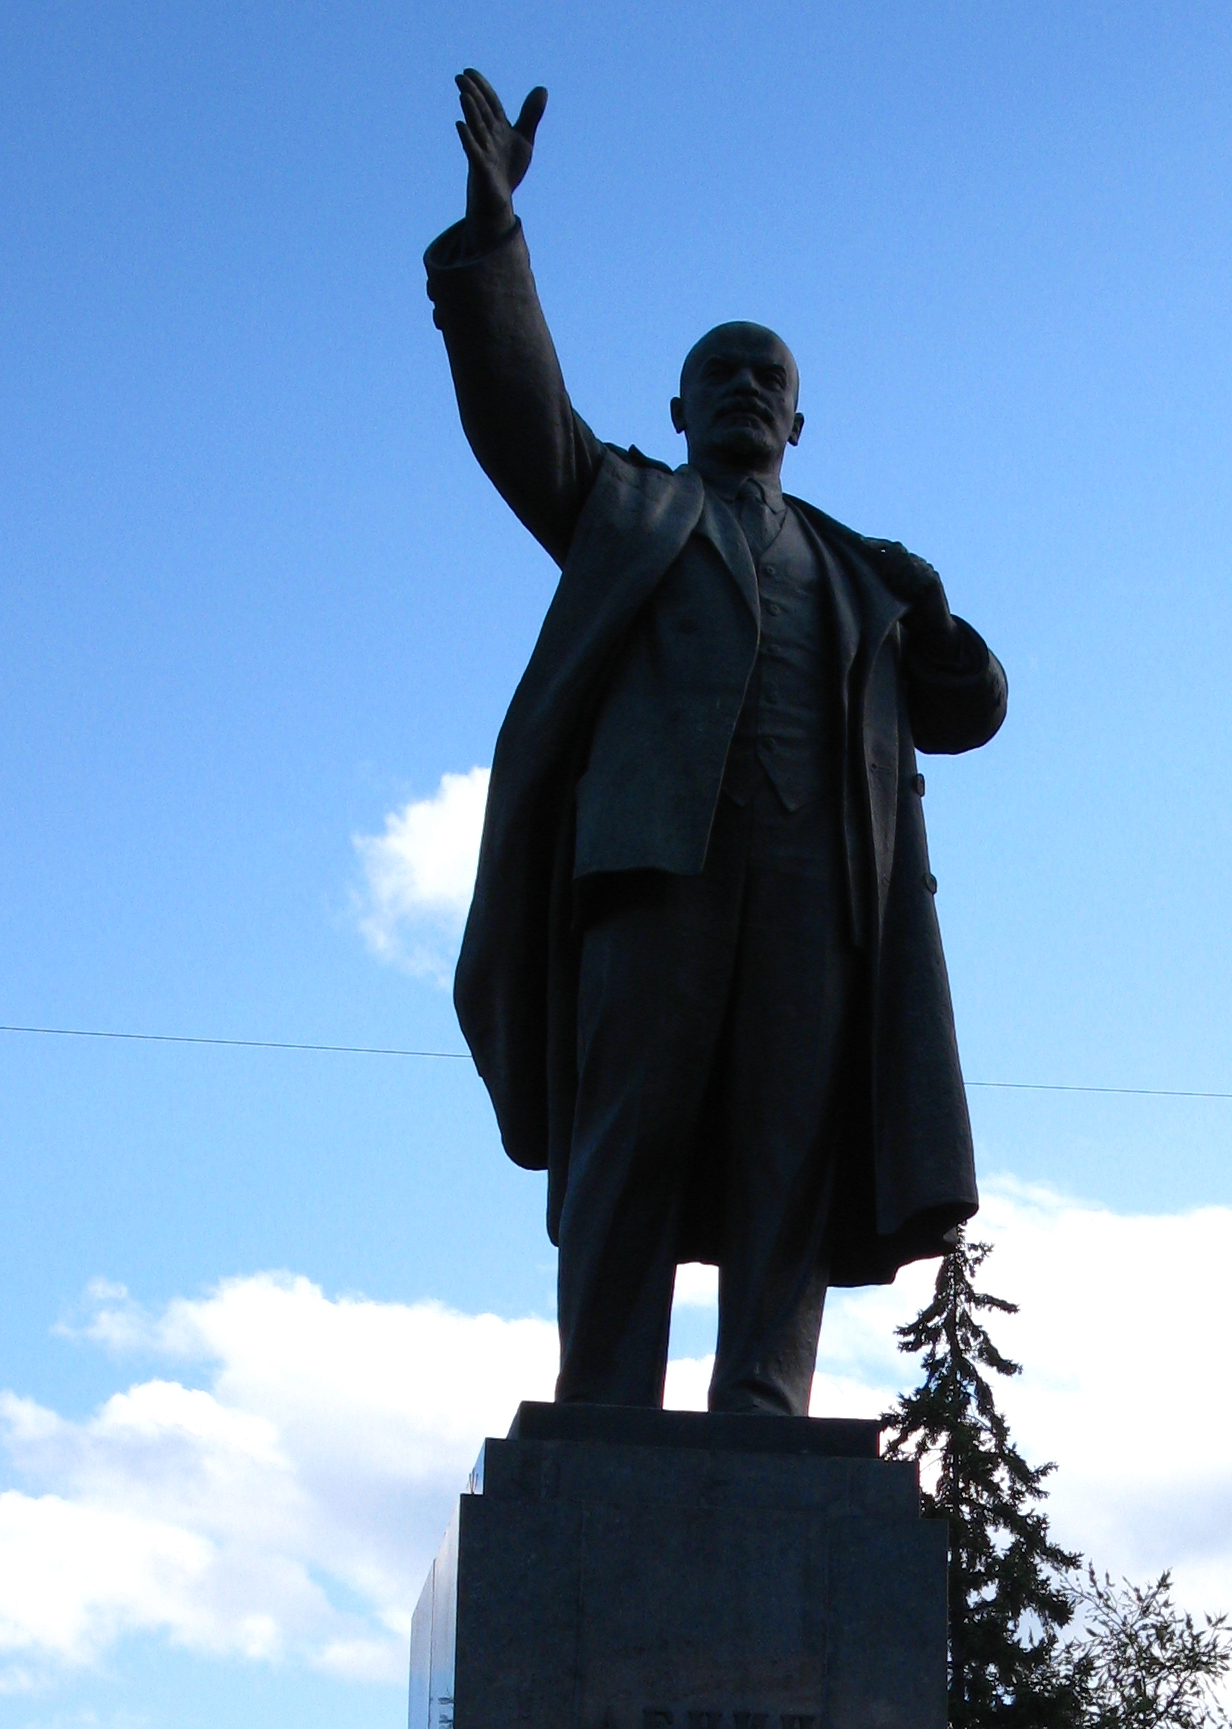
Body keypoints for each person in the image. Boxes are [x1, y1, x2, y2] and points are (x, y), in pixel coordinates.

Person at [424, 72, 1007, 1417]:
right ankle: (605, 1400)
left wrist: (932, 618)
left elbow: (969, 716)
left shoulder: (859, 571)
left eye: (769, 378)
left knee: (787, 1144)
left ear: (798, 423)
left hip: (819, 894)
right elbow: (519, 414)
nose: (745, 388)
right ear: (679, 412)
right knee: (630, 1135)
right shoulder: (624, 506)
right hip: (650, 871)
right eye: (719, 375)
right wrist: (496, 235)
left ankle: (762, 1396)